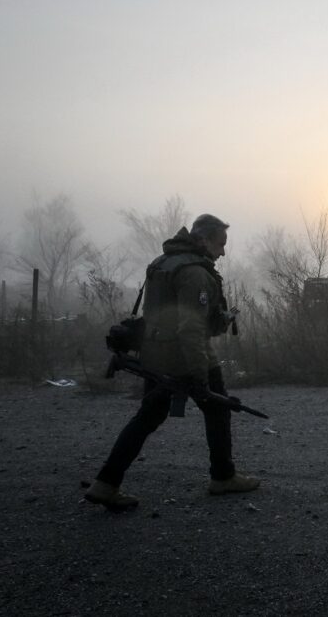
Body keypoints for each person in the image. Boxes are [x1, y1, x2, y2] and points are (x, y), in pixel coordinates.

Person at [85, 214, 260, 510]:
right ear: (203, 240)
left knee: (148, 417)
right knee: (218, 410)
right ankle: (223, 477)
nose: (223, 251)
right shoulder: (195, 273)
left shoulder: (163, 262)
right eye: (220, 244)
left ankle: (106, 483)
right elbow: (191, 328)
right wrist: (199, 374)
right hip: (189, 356)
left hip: (155, 355)